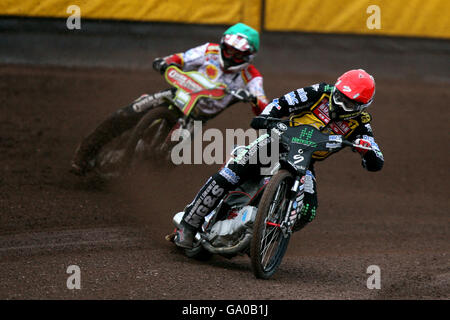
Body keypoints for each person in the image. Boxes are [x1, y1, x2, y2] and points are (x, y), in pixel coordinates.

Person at [174, 69, 384, 248]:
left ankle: (262, 237)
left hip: (305, 162)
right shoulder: (320, 92)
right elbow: (284, 101)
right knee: (232, 173)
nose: (341, 104)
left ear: (362, 107)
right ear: (335, 89)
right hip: (277, 141)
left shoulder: (361, 124)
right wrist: (267, 117)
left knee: (308, 211)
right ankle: (189, 224)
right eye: (339, 97)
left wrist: (368, 152)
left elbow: (375, 157)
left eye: (350, 104)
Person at [70, 22, 269, 175]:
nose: (231, 56)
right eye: (228, 50)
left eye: (237, 54)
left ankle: (138, 183)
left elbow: (263, 103)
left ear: (249, 56)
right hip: (175, 96)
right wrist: (166, 62)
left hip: (197, 117)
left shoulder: (251, 76)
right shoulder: (209, 51)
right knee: (128, 113)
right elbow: (182, 58)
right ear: (222, 45)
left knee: (168, 161)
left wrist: (254, 100)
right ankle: (85, 153)